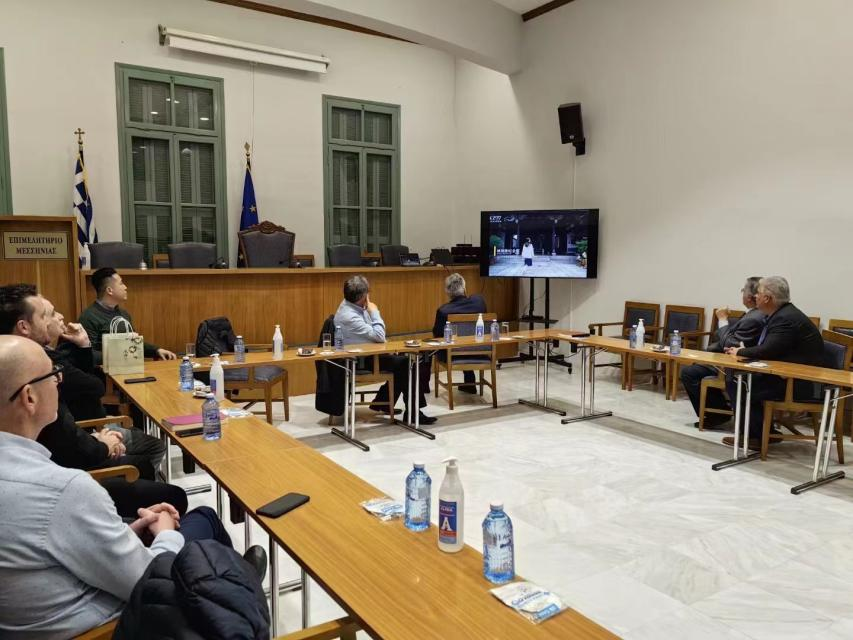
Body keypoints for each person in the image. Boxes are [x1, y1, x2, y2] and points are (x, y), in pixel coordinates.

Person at [0, 335, 238, 639]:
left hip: (45, 609)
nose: (59, 381)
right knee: (205, 519)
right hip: (115, 623)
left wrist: (125, 532)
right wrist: (165, 533)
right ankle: (234, 597)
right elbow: (147, 580)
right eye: (52, 374)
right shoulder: (63, 491)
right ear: (29, 397)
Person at [0, 284, 166, 475]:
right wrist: (102, 444)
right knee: (152, 464)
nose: (58, 318)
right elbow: (64, 437)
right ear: (23, 326)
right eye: (46, 315)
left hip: (79, 440)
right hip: (69, 461)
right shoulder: (38, 369)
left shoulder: (39, 359)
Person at [722, 276, 825, 449]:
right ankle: (765, 433)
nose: (755, 296)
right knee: (741, 378)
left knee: (739, 382)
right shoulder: (782, 314)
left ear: (767, 298)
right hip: (788, 376)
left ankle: (756, 437)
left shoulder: (784, 318)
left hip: (799, 383)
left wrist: (739, 351)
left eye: (758, 293)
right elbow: (773, 348)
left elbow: (768, 350)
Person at [334, 275, 436, 425]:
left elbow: (374, 336)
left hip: (368, 353)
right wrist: (375, 311)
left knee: (403, 360)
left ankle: (383, 403)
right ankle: (414, 412)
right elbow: (379, 336)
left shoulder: (352, 306)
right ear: (363, 296)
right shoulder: (349, 316)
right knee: (406, 363)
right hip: (359, 361)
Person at [679, 277, 766, 428]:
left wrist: (723, 320)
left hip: (735, 366)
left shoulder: (754, 317)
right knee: (695, 368)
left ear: (750, 296)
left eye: (743, 290)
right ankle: (718, 411)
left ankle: (717, 415)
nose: (742, 294)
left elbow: (730, 344)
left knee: (689, 373)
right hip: (729, 359)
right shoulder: (753, 314)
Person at [79, 267, 176, 364]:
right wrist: (119, 355)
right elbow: (88, 354)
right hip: (104, 371)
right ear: (109, 290)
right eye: (121, 283)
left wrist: (156, 350)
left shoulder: (124, 314)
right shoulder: (89, 317)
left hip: (129, 368)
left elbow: (133, 343)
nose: (125, 287)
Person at [432, 272, 487, 394]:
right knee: (466, 341)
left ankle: (423, 387)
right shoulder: (479, 302)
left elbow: (437, 335)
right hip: (479, 350)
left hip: (453, 354)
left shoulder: (443, 311)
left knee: (428, 350)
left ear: (447, 292)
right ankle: (470, 383)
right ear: (464, 288)